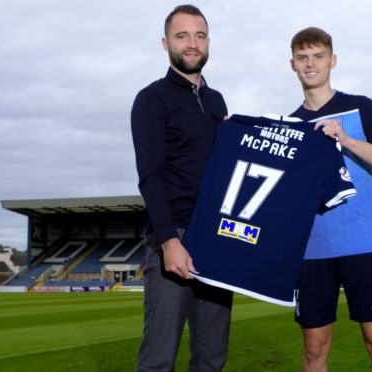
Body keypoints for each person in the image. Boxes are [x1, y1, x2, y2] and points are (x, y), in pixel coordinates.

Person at [289, 27, 372, 372]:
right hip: (312, 252)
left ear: (333, 60)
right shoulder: (291, 125)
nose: (310, 64)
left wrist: (345, 139)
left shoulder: (360, 108)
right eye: (303, 58)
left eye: (318, 56)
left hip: (362, 245)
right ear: (292, 65)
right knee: (314, 352)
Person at [131, 5, 232, 372]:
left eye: (200, 36)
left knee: (211, 357)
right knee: (159, 358)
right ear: (165, 43)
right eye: (183, 36)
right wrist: (169, 241)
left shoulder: (218, 101)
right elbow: (150, 175)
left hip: (216, 239)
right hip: (174, 235)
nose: (193, 44)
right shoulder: (151, 99)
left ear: (208, 43)